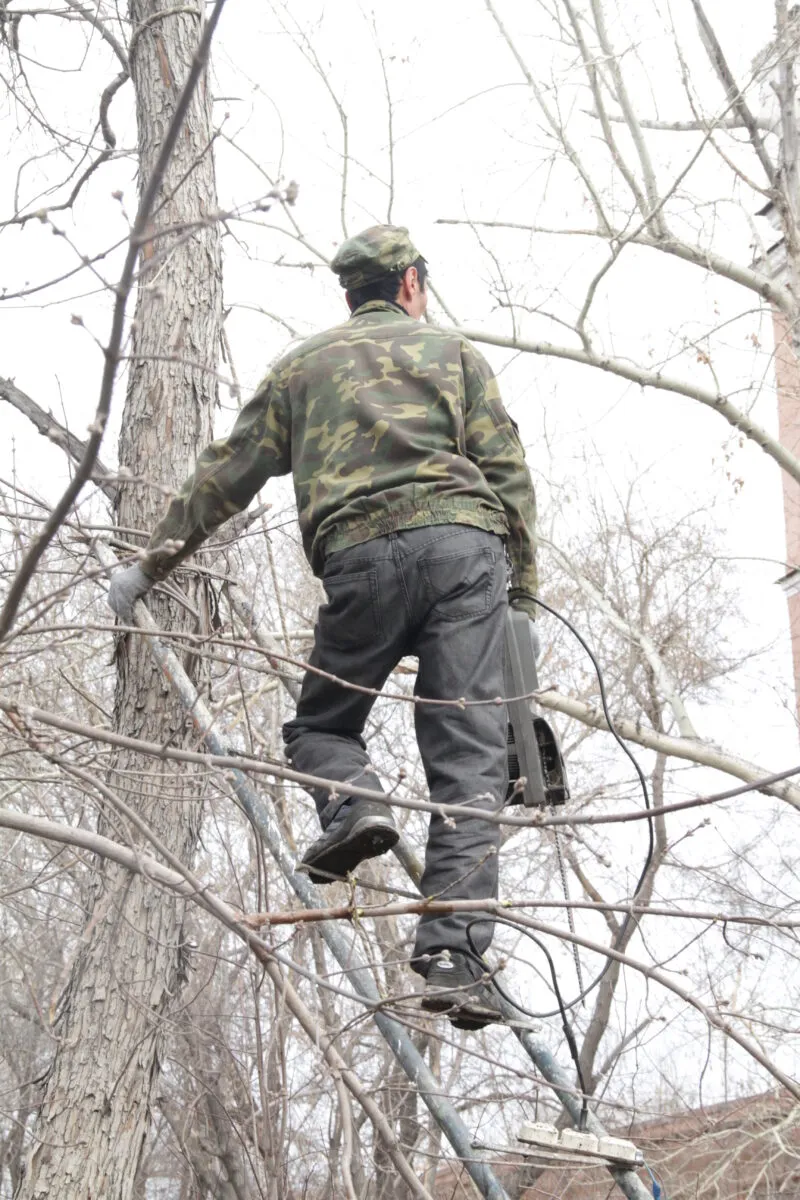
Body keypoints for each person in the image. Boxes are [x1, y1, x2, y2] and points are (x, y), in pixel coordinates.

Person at [108, 225, 538, 1029]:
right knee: (472, 757)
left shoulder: (303, 368)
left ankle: (355, 809)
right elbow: (510, 476)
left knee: (322, 726)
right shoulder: (454, 355)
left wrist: (146, 569)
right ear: (411, 283)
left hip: (363, 557)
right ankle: (454, 954)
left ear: (351, 294)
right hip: (465, 552)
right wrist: (523, 601)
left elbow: (224, 476)